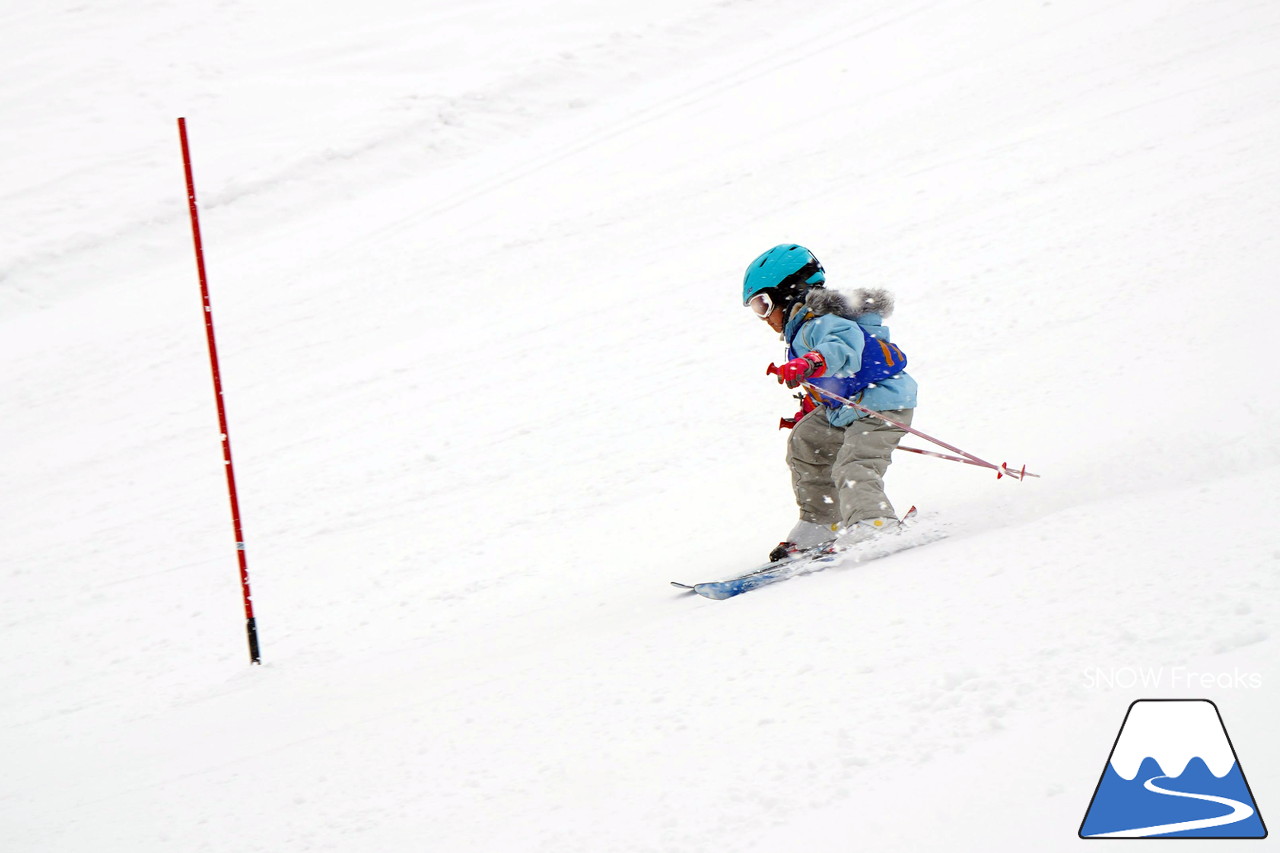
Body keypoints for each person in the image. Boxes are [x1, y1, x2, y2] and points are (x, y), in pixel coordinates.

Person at [741, 244, 918, 561]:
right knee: (806, 441)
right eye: (756, 309)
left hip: (879, 406)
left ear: (790, 290)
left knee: (853, 465)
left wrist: (810, 362)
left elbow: (843, 348)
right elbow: (831, 385)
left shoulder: (824, 321)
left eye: (763, 305)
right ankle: (822, 521)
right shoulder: (802, 328)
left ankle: (874, 521)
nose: (763, 318)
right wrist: (809, 411)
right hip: (845, 409)